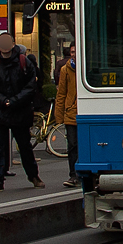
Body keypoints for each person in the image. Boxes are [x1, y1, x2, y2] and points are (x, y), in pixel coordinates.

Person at [0, 33, 43, 192]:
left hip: (18, 110)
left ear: (13, 44)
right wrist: (1, 100)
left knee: (24, 146)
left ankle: (33, 175)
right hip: (0, 110)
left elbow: (30, 86)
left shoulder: (23, 61)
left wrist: (14, 101)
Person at [53, 46, 78, 188]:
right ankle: (73, 174)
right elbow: (61, 93)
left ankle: (82, 174)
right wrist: (59, 115)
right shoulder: (65, 70)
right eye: (72, 52)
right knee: (72, 145)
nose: (74, 55)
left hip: (82, 112)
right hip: (71, 112)